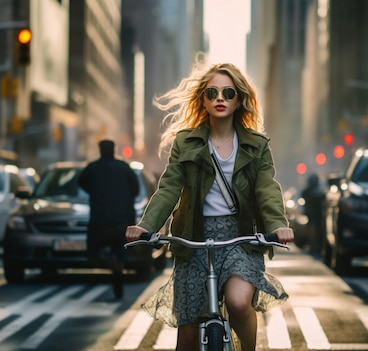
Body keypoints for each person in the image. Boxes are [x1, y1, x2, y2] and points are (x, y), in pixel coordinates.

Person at [125, 61, 294, 351]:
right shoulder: (185, 143)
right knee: (189, 330)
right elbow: (169, 187)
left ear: (239, 99)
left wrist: (278, 224)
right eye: (212, 92)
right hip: (194, 235)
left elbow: (266, 187)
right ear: (202, 99)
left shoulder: (256, 145)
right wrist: (146, 226)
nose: (220, 98)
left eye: (228, 93)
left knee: (239, 303)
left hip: (240, 236)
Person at [78, 139, 140, 299]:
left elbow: (82, 183)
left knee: (92, 254)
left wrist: (96, 191)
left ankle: (109, 262)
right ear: (114, 150)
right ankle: (117, 267)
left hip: (99, 221)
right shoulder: (124, 168)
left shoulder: (92, 168)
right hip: (122, 221)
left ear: (100, 150)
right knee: (121, 254)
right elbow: (136, 189)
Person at [301, 173, 325, 258]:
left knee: (315, 232)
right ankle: (314, 248)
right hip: (314, 215)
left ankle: (315, 248)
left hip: (315, 215)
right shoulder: (315, 193)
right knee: (313, 232)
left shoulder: (307, 192)